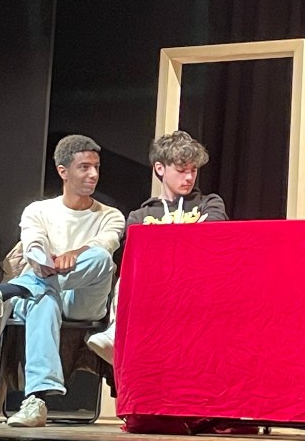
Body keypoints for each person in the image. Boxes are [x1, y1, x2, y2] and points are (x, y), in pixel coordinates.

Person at [0, 134, 124, 427]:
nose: (93, 174)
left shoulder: (110, 215)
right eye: (84, 167)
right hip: (44, 291)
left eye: (96, 167)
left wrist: (73, 254)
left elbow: (105, 244)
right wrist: (45, 261)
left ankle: (7, 290)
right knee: (42, 300)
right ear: (63, 171)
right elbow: (34, 245)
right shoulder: (38, 211)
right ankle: (36, 401)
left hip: (84, 300)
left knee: (101, 259)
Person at [85, 130, 227, 364]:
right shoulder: (140, 215)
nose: (189, 177)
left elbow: (210, 240)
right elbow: (137, 255)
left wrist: (162, 242)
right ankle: (116, 333)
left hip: (197, 281)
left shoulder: (210, 203)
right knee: (130, 273)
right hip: (155, 284)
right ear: (160, 169)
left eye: (193, 170)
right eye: (181, 170)